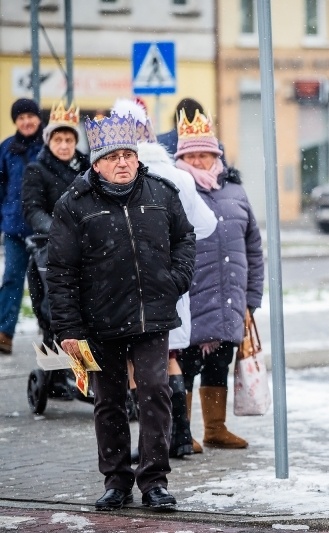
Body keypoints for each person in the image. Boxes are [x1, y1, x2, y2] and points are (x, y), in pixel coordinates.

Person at [47, 111, 196, 511]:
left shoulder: (160, 192)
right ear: (97, 163)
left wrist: (175, 279)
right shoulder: (73, 205)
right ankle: (116, 480)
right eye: (114, 157)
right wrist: (69, 330)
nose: (124, 162)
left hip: (151, 315)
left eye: (129, 154)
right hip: (99, 321)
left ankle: (154, 481)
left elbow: (185, 238)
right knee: (109, 401)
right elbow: (60, 272)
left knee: (154, 392)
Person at [111, 98, 218, 460]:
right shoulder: (179, 177)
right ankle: (181, 437)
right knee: (167, 356)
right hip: (169, 288)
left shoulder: (112, 176)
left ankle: (146, 443)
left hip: (126, 288)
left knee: (133, 362)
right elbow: (205, 225)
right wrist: (177, 265)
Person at [173, 109, 264, 452]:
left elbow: (253, 247)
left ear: (217, 155)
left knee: (219, 364)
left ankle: (215, 428)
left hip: (229, 300)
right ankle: (180, 432)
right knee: (185, 367)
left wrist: (250, 299)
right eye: (191, 154)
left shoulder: (235, 191)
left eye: (204, 153)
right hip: (190, 299)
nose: (198, 159)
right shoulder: (175, 189)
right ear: (181, 158)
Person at [21, 100, 90, 398]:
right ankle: (65, 371)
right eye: (59, 139)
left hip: (88, 247)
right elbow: (33, 209)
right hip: (52, 248)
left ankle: (84, 372)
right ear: (49, 140)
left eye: (69, 139)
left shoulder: (88, 168)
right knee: (58, 312)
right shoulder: (37, 170)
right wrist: (59, 230)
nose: (64, 145)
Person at [0, 98, 43, 354]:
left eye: (30, 116)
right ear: (16, 121)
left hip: (45, 230)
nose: (26, 122)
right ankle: (4, 333)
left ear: (38, 118)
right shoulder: (6, 149)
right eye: (21, 117)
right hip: (15, 228)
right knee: (12, 280)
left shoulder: (50, 145)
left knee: (49, 284)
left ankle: (50, 332)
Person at [157, 98, 224, 163]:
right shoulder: (215, 146)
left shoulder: (159, 143)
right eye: (190, 156)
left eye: (202, 156)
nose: (196, 162)